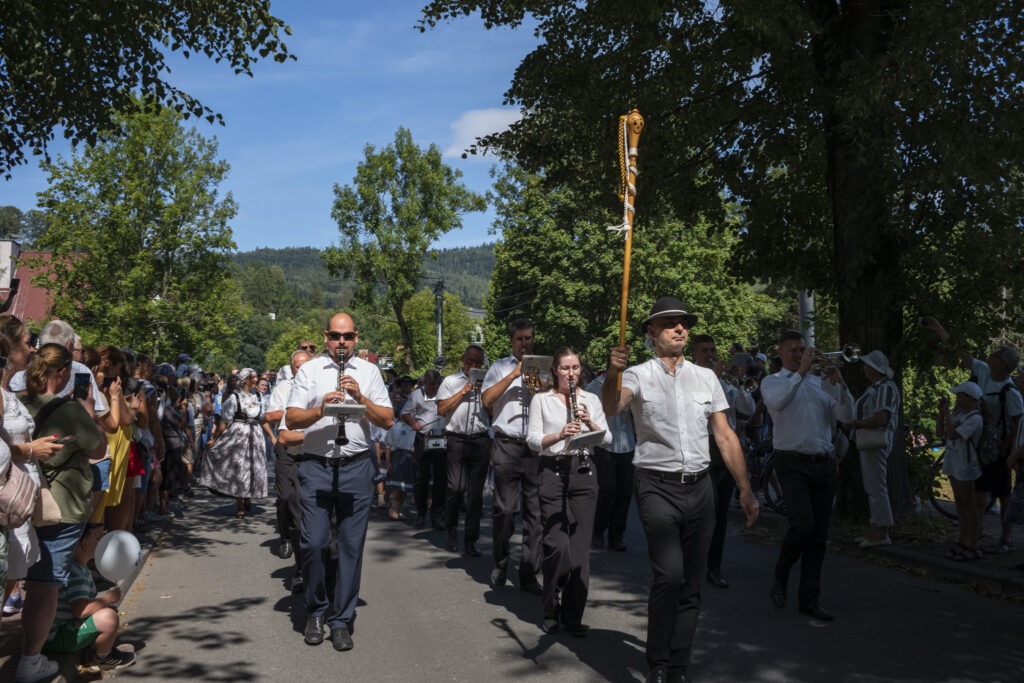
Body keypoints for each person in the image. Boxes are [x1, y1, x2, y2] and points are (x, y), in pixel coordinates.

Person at [601, 297, 759, 683]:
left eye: (683, 323)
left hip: (700, 487)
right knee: (668, 577)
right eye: (669, 323)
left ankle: (677, 668)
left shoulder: (706, 378)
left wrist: (746, 488)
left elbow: (724, 434)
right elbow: (610, 406)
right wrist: (611, 372)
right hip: (656, 485)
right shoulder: (636, 375)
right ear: (651, 333)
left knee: (691, 584)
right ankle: (656, 661)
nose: (679, 328)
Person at [285, 312, 393, 651]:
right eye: (335, 336)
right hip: (317, 465)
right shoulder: (311, 370)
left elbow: (388, 420)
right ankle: (316, 610)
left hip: (356, 466)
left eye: (347, 336)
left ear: (356, 338)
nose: (341, 342)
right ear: (326, 337)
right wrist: (320, 408)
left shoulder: (370, 372)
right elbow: (291, 417)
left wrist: (360, 398)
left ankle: (341, 619)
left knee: (350, 547)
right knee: (314, 543)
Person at [17, 343, 106, 683]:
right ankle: (30, 659)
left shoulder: (16, 403)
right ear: (65, 372)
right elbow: (99, 448)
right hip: (59, 505)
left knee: (16, 580)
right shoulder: (69, 410)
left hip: (18, 503)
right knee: (45, 583)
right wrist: (86, 412)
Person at [761, 330, 853, 622]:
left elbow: (847, 416)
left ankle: (809, 599)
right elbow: (777, 404)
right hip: (791, 461)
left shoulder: (820, 384)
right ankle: (781, 575)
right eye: (793, 350)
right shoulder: (772, 382)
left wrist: (841, 387)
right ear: (781, 353)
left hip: (823, 461)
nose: (800, 354)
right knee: (803, 525)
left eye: (803, 349)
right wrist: (800, 372)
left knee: (819, 534)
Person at [527, 347, 610, 636]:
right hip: (552, 470)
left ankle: (573, 617)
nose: (571, 373)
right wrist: (561, 434)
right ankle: (551, 607)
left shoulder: (591, 399)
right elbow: (533, 440)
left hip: (583, 471)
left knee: (579, 554)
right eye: (565, 368)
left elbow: (606, 438)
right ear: (555, 371)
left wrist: (589, 421)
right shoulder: (542, 399)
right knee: (557, 547)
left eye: (575, 368)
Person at [922, 317, 1023, 553]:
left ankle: (1006, 537)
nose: (991, 355)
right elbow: (962, 355)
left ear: (1004, 364)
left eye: (996, 354)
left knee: (1001, 491)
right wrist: (940, 329)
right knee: (978, 492)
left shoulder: (1010, 391)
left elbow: (1018, 423)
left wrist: (1007, 449)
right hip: (977, 444)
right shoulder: (984, 371)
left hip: (997, 447)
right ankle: (973, 536)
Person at [481, 319, 544, 594]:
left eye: (529, 338)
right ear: (512, 341)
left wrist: (539, 383)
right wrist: (514, 375)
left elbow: (553, 400)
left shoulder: (543, 366)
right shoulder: (499, 367)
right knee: (505, 510)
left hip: (535, 446)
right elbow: (486, 400)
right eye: (520, 339)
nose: (525, 343)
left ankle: (530, 571)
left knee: (536, 513)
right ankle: (501, 561)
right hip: (507, 444)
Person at [690, 335, 754, 589]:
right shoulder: (689, 379)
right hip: (701, 446)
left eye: (713, 350)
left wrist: (738, 383)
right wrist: (713, 380)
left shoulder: (726, 382)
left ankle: (714, 566)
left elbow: (746, 409)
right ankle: (693, 562)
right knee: (704, 510)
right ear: (694, 354)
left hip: (726, 448)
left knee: (721, 512)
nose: (711, 355)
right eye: (705, 351)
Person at [41, 524, 135, 672]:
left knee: (106, 611)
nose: (100, 542)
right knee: (109, 617)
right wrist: (107, 598)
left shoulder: (74, 568)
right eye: (97, 538)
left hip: (50, 633)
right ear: (85, 544)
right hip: (55, 637)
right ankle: (103, 658)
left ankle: (95, 648)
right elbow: (80, 611)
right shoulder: (77, 574)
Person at [436, 344, 490, 557]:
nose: (474, 366)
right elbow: (441, 409)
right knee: (455, 488)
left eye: (478, 363)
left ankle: (470, 540)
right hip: (456, 439)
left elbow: (493, 411)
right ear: (463, 359)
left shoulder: (488, 382)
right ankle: (451, 530)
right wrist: (464, 391)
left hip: (480, 440)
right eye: (470, 362)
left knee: (475, 495)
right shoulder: (450, 381)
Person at [845, 350, 901, 547]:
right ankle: (876, 527)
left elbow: (880, 418)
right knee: (872, 485)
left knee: (876, 486)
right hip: (870, 442)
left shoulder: (885, 388)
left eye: (867, 365)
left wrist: (857, 424)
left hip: (876, 441)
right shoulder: (877, 388)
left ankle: (882, 530)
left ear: (875, 368)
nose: (864, 368)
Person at [198, 369, 268, 518]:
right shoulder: (234, 398)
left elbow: (263, 418)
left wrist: (272, 437)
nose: (256, 379)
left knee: (253, 467)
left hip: (255, 434)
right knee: (239, 468)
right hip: (239, 435)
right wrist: (215, 439)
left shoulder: (260, 397)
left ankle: (248, 495)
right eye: (252, 377)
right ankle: (240, 504)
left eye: (256, 377)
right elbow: (224, 422)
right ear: (244, 380)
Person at [265, 349, 312, 564]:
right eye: (297, 366)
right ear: (291, 368)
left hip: (311, 449)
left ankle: (303, 540)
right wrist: (293, 413)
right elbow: (271, 415)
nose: (301, 369)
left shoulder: (317, 386)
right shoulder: (283, 388)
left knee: (303, 500)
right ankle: (285, 536)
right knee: (285, 497)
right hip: (286, 445)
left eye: (305, 365)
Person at [585, 371, 635, 553]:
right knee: (607, 489)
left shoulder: (632, 384)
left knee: (625, 491)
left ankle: (617, 534)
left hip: (626, 442)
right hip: (603, 443)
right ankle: (598, 529)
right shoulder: (595, 386)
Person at [937, 382, 985, 559]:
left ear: (970, 398)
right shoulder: (958, 414)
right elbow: (940, 431)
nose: (957, 399)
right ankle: (963, 539)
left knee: (968, 501)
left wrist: (948, 413)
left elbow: (953, 434)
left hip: (966, 463)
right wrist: (941, 413)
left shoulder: (975, 418)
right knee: (959, 501)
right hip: (953, 460)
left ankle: (973, 543)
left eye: (960, 396)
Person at [402, 370, 447, 530]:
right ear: (424, 384)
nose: (433, 389)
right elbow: (405, 413)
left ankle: (437, 516)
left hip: (442, 437)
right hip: (423, 438)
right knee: (421, 478)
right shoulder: (416, 395)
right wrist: (413, 424)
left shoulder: (445, 393)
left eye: (436, 386)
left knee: (441, 480)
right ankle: (421, 514)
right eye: (430, 386)